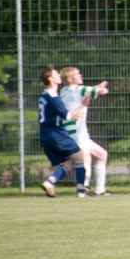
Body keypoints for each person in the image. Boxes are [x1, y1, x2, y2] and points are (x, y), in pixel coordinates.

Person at [59, 67, 110, 196]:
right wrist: (102, 89)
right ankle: (83, 188)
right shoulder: (78, 89)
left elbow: (88, 90)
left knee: (102, 155)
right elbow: (100, 91)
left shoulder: (64, 90)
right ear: (70, 79)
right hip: (75, 133)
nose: (80, 75)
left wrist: (96, 88)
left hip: (75, 132)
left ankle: (99, 190)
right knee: (85, 157)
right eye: (77, 74)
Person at [38, 66, 87, 198]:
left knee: (65, 164)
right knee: (79, 157)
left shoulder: (43, 95)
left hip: (45, 136)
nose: (59, 76)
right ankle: (81, 191)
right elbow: (69, 116)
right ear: (50, 79)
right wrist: (83, 105)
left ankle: (50, 184)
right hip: (57, 134)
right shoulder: (53, 96)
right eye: (56, 74)